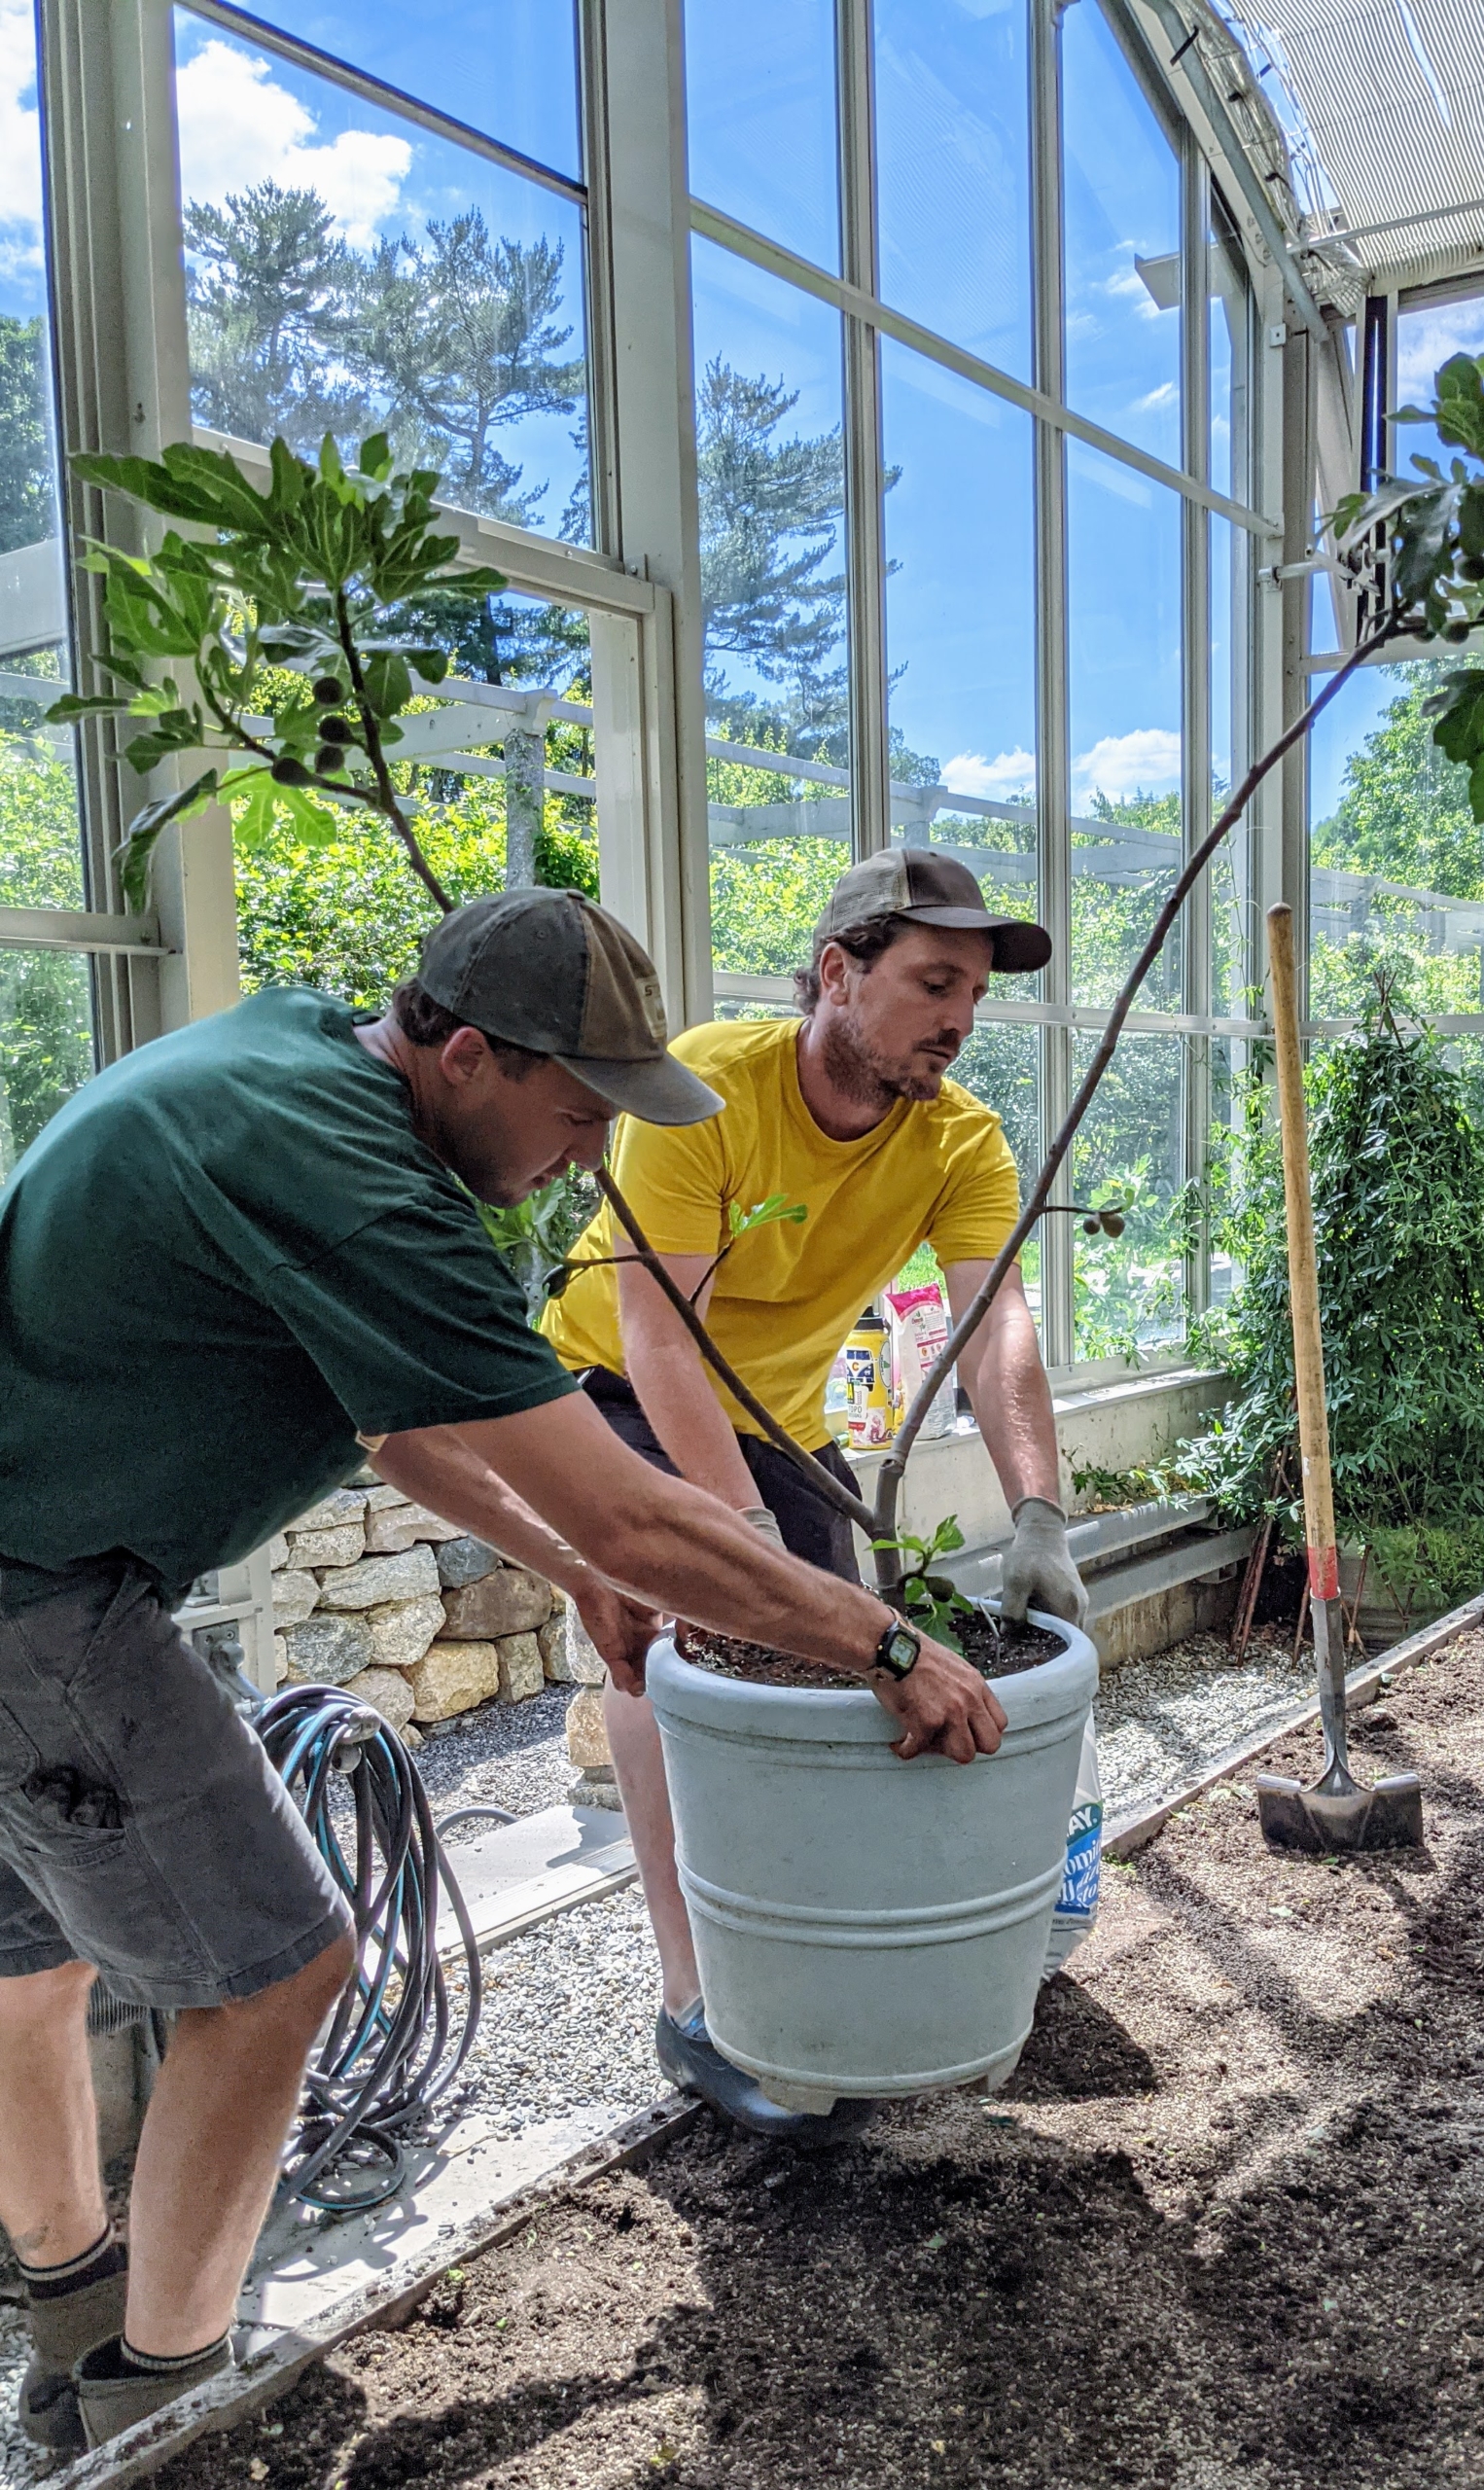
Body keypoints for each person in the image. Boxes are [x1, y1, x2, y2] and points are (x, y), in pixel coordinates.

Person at [0, 888, 1003, 2451]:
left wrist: (579, 1575)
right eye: (578, 1109)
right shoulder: (358, 1183)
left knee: (36, 1963)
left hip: (35, 1570)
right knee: (279, 1972)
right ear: (466, 1054)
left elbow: (400, 1430)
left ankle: (73, 2325)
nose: (596, 1154)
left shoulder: (291, 1065)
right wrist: (885, 1642)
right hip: (42, 1600)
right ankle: (165, 2417)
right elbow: (624, 1500)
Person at [540, 851, 1090, 2137]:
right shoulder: (703, 1090)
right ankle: (695, 2005)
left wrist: (1039, 1510)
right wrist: (731, 1554)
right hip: (614, 1381)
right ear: (838, 972)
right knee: (688, 1663)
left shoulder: (961, 1140)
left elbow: (994, 1321)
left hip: (779, 1414)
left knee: (847, 1668)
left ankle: (820, 1960)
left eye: (976, 995)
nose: (960, 1018)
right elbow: (662, 1333)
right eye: (933, 982)